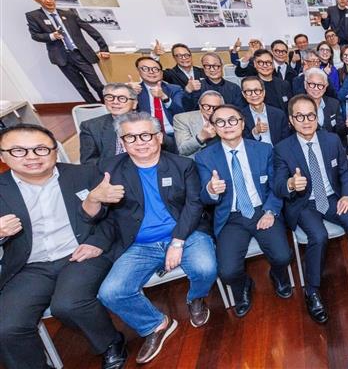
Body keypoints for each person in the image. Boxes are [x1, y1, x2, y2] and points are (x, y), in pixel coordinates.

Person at [0, 124, 127, 369]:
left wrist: (96, 242)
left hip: (81, 253)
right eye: (19, 151)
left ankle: (110, 342)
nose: (31, 157)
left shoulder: (84, 174)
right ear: (3, 155)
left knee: (69, 304)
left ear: (55, 151)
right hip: (29, 266)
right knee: (7, 328)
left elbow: (114, 218)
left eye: (40, 149)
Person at [96, 112, 217, 365]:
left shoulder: (182, 165)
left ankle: (196, 298)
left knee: (206, 268)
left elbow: (194, 205)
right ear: (122, 141)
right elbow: (96, 215)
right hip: (140, 244)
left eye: (146, 135)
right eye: (130, 137)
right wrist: (95, 199)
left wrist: (177, 241)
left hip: (186, 233)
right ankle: (156, 323)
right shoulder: (108, 170)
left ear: (159, 137)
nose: (139, 142)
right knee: (111, 292)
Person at [273, 95, 348, 324]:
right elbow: (278, 185)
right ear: (291, 120)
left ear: (317, 116)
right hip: (303, 203)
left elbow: (344, 171)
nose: (306, 121)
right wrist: (291, 184)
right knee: (318, 237)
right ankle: (312, 291)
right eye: (299, 116)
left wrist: (346, 195)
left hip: (332, 197)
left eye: (310, 115)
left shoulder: (331, 140)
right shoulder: (283, 149)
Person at [195, 105, 293, 318]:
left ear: (242, 123)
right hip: (231, 217)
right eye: (220, 122)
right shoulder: (205, 157)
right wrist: (211, 190)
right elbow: (203, 197)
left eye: (232, 120)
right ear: (213, 127)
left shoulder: (264, 149)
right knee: (228, 271)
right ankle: (244, 285)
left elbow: (277, 186)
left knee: (283, 256)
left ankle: (277, 275)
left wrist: (270, 211)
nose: (227, 125)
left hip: (262, 209)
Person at [25, 0, 110, 103]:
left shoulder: (69, 14)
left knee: (97, 84)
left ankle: (108, 106)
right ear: (36, 0)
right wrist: (51, 36)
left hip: (80, 54)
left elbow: (91, 30)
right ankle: (94, 109)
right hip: (62, 58)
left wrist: (103, 48)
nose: (48, 0)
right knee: (81, 87)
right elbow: (35, 35)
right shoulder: (33, 16)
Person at [128, 57, 185, 153]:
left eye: (155, 69)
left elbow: (180, 113)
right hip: (146, 134)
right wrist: (129, 94)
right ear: (139, 71)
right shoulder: (135, 91)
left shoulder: (174, 89)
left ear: (161, 73)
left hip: (172, 133)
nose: (151, 72)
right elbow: (126, 117)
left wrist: (164, 97)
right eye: (146, 69)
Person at [80, 83, 138, 164]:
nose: (115, 102)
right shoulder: (91, 127)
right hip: (110, 172)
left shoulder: (148, 123)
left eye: (122, 98)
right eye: (110, 97)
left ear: (134, 103)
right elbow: (88, 162)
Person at [238, 76, 291, 145]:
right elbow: (241, 144)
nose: (253, 95)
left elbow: (286, 141)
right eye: (248, 91)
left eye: (257, 90)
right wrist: (255, 132)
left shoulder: (279, 114)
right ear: (243, 94)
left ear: (263, 92)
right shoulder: (240, 117)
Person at [173, 90, 224, 158]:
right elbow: (182, 150)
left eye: (216, 107)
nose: (211, 110)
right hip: (196, 161)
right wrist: (201, 137)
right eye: (206, 106)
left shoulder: (229, 119)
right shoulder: (182, 119)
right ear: (200, 106)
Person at [252, 49, 293, 114]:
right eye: (260, 62)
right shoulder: (251, 85)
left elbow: (290, 107)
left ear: (273, 64)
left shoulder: (284, 84)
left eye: (268, 62)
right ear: (255, 64)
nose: (265, 66)